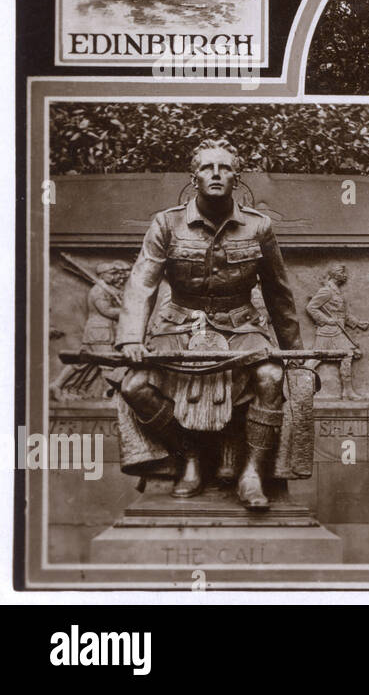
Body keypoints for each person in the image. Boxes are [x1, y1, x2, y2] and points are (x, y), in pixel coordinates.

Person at [115, 138, 303, 509]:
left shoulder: (258, 227)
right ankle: (188, 456)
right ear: (194, 176)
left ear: (237, 177)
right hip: (178, 327)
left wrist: (295, 355)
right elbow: (142, 282)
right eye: (206, 167)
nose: (215, 174)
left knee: (271, 377)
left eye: (224, 167)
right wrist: (131, 339)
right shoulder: (166, 223)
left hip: (241, 328)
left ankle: (251, 473)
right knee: (135, 385)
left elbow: (279, 293)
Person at [50, 260, 131, 400]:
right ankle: (111, 395)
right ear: (103, 275)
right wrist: (128, 311)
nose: (116, 276)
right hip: (99, 332)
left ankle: (58, 385)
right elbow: (106, 311)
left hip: (104, 331)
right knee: (108, 363)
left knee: (83, 362)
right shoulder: (98, 291)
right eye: (112, 273)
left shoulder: (109, 289)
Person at [306, 264, 369, 400]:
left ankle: (347, 392)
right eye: (342, 273)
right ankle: (301, 387)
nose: (345, 275)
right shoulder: (327, 291)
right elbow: (311, 307)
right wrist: (326, 320)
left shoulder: (336, 291)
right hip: (327, 332)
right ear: (335, 275)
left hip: (337, 330)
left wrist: (357, 323)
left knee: (345, 356)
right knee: (314, 360)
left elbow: (342, 313)